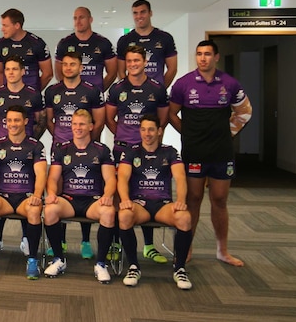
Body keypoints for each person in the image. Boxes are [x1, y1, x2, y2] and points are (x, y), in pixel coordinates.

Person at [169, 39, 252, 267]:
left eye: (207, 54)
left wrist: (229, 133)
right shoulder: (183, 84)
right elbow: (171, 114)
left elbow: (245, 111)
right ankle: (186, 249)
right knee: (193, 200)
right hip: (194, 151)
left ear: (216, 57)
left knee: (219, 200)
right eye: (199, 54)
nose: (202, 58)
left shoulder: (229, 83)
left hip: (221, 152)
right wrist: (187, 133)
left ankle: (222, 251)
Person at [105, 45, 169, 263]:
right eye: (129, 61)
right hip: (122, 149)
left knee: (146, 194)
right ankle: (115, 243)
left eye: (137, 60)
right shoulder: (117, 89)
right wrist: (126, 139)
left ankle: (149, 246)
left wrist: (146, 142)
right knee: (118, 196)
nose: (133, 64)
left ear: (145, 61)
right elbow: (109, 119)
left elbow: (162, 119)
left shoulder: (157, 89)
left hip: (148, 151)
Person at [117, 115, 193, 289]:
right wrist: (125, 199)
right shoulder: (131, 151)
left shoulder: (170, 151)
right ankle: (134, 266)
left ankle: (179, 268)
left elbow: (181, 178)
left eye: (151, 129)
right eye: (143, 129)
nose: (147, 133)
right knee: (124, 216)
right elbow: (122, 177)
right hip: (139, 204)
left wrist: (181, 200)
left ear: (159, 131)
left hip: (162, 204)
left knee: (184, 218)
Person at [43, 109, 117, 283]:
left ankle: (100, 264)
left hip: (93, 201)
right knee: (50, 210)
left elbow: (110, 178)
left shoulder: (101, 150)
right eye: (75, 124)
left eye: (82, 124)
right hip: (69, 199)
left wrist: (107, 195)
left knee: (108, 212)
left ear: (91, 126)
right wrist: (52, 193)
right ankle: (59, 259)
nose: (78, 127)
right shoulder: (63, 149)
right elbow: (53, 177)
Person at [44, 50, 106, 256]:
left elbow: (98, 122)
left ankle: (86, 241)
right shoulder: (52, 91)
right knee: (59, 195)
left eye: (73, 64)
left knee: (85, 191)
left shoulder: (91, 90)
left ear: (81, 67)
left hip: (86, 150)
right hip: (60, 149)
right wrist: (64, 141)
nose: (68, 68)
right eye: (65, 64)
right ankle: (59, 242)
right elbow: (50, 121)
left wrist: (85, 143)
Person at [0, 106, 46, 279]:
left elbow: (41, 174)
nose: (12, 124)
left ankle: (32, 259)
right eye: (9, 120)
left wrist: (37, 196)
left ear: (25, 121)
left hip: (26, 197)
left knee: (34, 211)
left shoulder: (36, 145)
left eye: (16, 120)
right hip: (5, 196)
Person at [116, 0, 177, 87]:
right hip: (132, 93)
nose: (139, 16)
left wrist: (160, 89)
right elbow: (120, 71)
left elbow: (172, 69)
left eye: (143, 12)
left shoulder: (165, 38)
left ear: (150, 13)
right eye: (135, 13)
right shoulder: (124, 40)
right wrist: (128, 89)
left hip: (156, 95)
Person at [55, 7, 117, 92]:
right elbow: (58, 72)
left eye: (81, 17)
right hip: (71, 96)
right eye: (75, 18)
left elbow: (112, 73)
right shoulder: (64, 43)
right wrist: (68, 89)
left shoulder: (103, 43)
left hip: (95, 99)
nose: (78, 21)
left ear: (90, 20)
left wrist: (98, 91)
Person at [0, 8, 53, 90]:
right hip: (8, 98)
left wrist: (34, 92)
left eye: (5, 26)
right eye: (2, 25)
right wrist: (4, 92)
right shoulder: (0, 45)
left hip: (30, 98)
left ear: (17, 25)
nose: (2, 29)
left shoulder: (37, 43)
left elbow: (48, 74)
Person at [0, 56, 45, 140]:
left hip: (27, 147)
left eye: (15, 69)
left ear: (22, 71)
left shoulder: (34, 94)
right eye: (7, 69)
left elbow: (40, 123)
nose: (11, 72)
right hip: (3, 147)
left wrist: (31, 141)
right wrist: (0, 141)